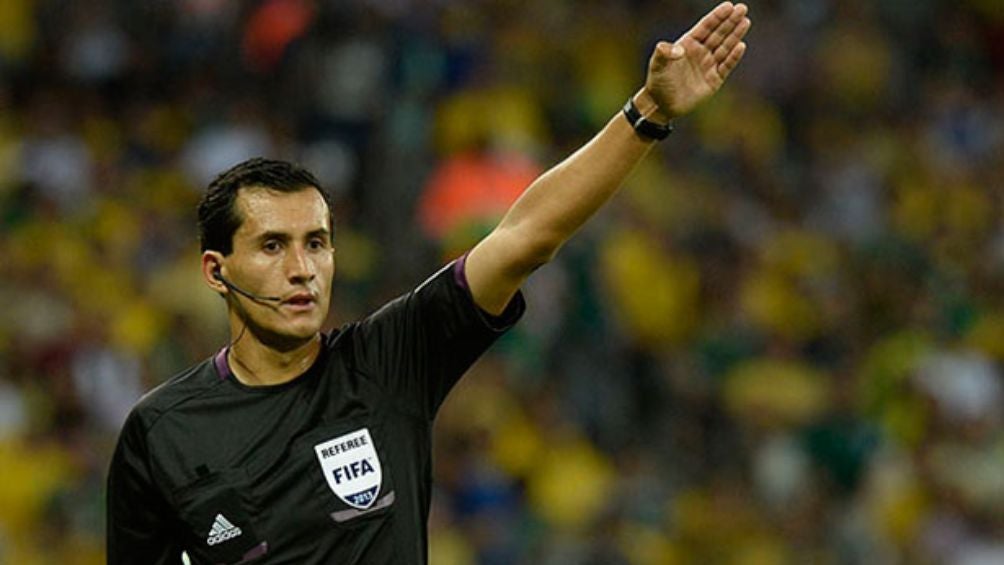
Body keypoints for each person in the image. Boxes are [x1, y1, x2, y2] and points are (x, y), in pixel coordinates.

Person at [105, 3, 751, 563]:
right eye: (272, 245)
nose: (302, 267)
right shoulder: (160, 432)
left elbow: (525, 237)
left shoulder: (387, 364)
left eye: (317, 243)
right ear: (216, 270)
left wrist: (647, 112)